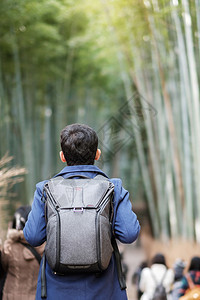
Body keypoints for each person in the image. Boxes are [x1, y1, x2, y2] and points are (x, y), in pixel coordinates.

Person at [23, 123, 141, 300]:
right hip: (104, 290)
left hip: (57, 291)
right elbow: (130, 234)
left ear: (62, 156)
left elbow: (32, 237)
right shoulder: (113, 187)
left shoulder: (45, 189)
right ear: (97, 154)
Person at [0, 206, 44, 300]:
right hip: (35, 296)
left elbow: (2, 267)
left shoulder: (9, 247)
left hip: (10, 296)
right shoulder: (44, 247)